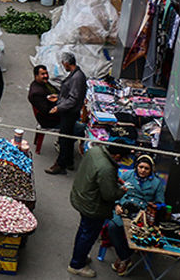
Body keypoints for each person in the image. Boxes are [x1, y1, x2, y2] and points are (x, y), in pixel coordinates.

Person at [67, 143, 127, 277]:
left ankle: (80, 255)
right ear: (116, 155)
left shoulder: (95, 150)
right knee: (88, 235)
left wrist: (112, 180)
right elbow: (109, 195)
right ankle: (77, 264)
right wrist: (122, 190)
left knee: (84, 230)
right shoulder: (106, 168)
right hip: (93, 206)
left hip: (82, 196)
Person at [107, 154, 166, 275]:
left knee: (137, 233)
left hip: (141, 214)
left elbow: (161, 203)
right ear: (136, 166)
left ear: (151, 170)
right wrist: (117, 204)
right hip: (123, 208)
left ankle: (123, 259)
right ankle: (125, 257)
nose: (143, 170)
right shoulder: (127, 175)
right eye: (141, 167)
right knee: (112, 227)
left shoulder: (156, 183)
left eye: (146, 168)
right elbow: (115, 190)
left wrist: (154, 206)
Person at [47, 52, 88, 174]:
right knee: (68, 137)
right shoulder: (75, 75)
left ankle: (60, 164)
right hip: (69, 110)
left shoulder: (77, 77)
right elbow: (68, 94)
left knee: (64, 138)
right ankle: (69, 161)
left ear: (66, 63)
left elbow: (73, 99)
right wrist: (59, 97)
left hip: (70, 112)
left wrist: (59, 107)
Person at [28, 64, 60, 130]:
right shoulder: (36, 93)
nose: (46, 76)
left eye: (46, 73)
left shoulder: (44, 83)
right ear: (36, 76)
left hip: (55, 110)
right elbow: (47, 111)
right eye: (42, 74)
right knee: (79, 128)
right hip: (49, 120)